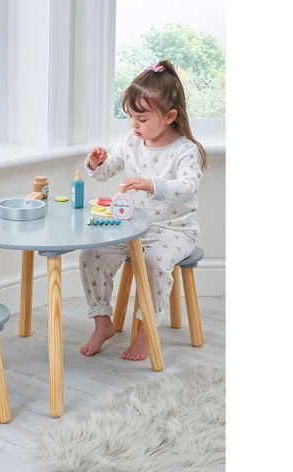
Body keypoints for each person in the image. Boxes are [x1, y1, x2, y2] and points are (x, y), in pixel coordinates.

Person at [79, 60, 208, 360]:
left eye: (141, 118)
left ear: (169, 116)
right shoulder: (131, 141)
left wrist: (152, 185)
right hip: (131, 224)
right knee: (91, 254)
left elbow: (188, 186)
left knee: (152, 263)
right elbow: (107, 171)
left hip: (172, 230)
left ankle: (145, 330)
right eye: (130, 118)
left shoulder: (185, 150)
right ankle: (102, 322)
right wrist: (97, 163)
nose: (134, 125)